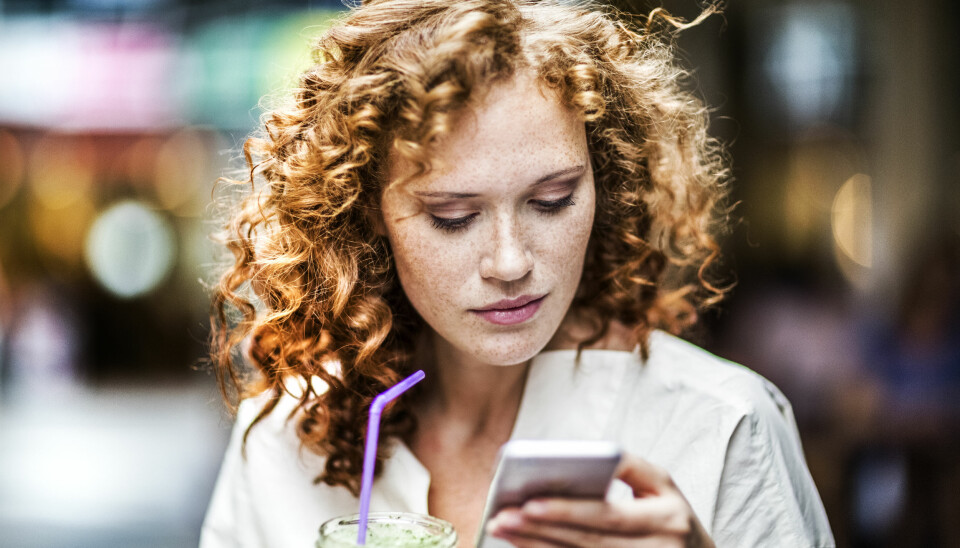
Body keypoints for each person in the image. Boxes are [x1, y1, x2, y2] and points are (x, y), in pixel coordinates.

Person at [201, 0, 835, 546]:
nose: (510, 262)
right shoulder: (284, 441)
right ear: (368, 213)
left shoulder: (719, 428)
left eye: (552, 200)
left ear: (604, 184)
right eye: (453, 215)